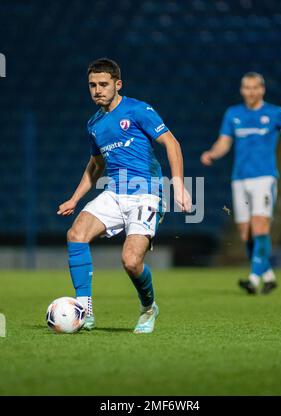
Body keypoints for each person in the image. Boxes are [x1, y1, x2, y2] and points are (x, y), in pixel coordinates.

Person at [58, 58, 191, 332]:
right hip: (114, 192)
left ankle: (148, 307)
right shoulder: (94, 124)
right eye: (92, 85)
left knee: (131, 262)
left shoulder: (138, 109)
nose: (97, 90)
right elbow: (96, 165)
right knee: (76, 234)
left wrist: (179, 184)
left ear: (118, 84)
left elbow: (172, 142)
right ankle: (84, 311)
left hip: (146, 193)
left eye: (104, 84)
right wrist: (74, 199)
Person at [200, 72, 281, 294]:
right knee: (245, 233)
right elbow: (224, 142)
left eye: (255, 87)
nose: (251, 91)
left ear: (262, 89)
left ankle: (254, 279)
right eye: (247, 87)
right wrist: (213, 153)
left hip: (264, 178)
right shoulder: (233, 114)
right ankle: (268, 275)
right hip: (239, 179)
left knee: (259, 227)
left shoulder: (276, 113)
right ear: (242, 90)